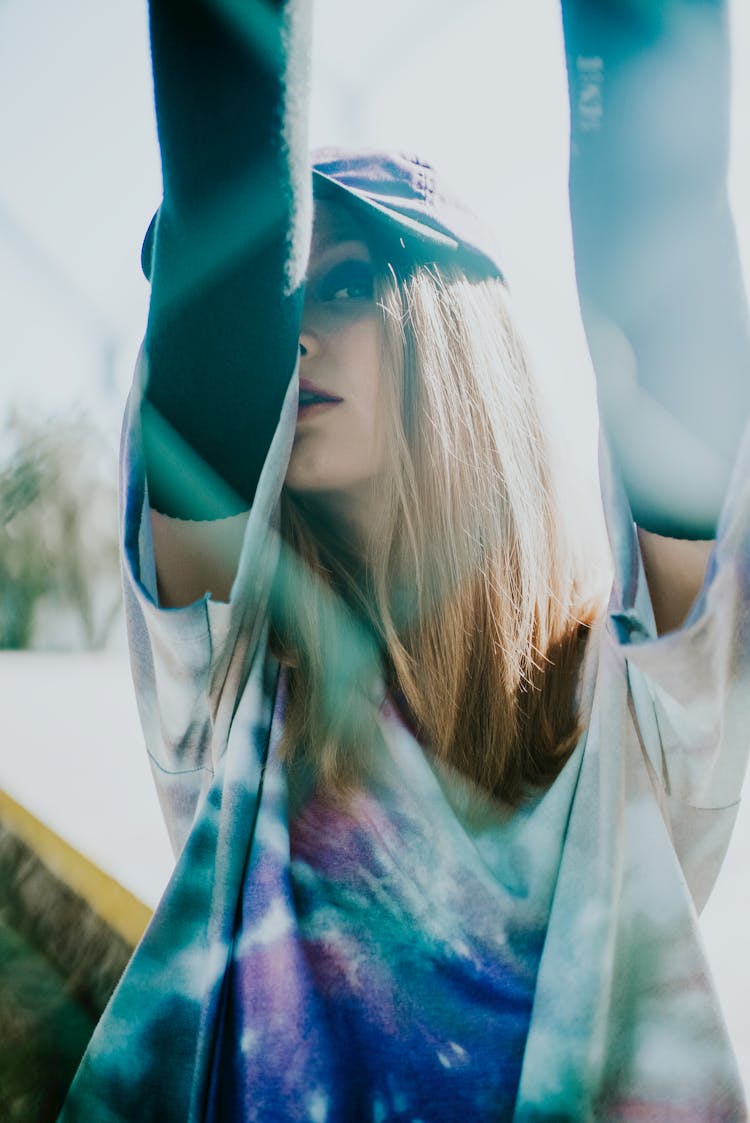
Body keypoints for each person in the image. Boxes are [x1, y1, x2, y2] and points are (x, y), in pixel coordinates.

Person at [60, 0, 750, 1120]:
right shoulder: (238, 683)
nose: (296, 333)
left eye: (344, 285)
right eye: (292, 290)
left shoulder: (629, 715)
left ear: (455, 330)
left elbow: (662, 264)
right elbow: (225, 213)